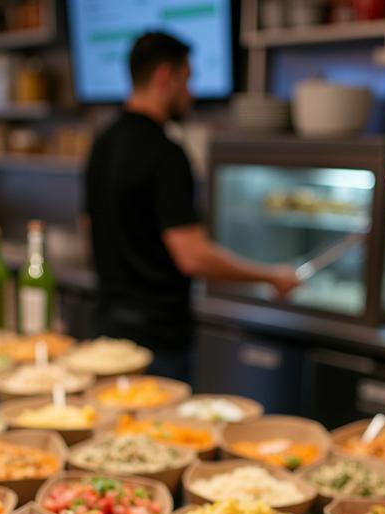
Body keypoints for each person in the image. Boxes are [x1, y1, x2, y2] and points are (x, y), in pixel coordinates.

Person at [84, 32, 298, 381]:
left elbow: (87, 224)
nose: (192, 93)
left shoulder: (103, 141)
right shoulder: (166, 152)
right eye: (187, 79)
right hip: (156, 338)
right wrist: (269, 275)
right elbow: (192, 255)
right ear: (165, 77)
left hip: (106, 323)